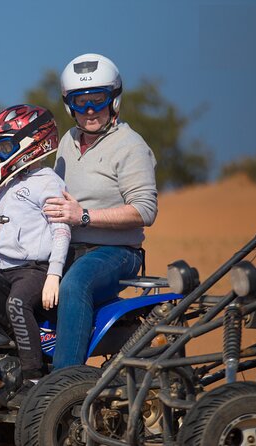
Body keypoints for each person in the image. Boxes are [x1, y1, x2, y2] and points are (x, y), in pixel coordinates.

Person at [42, 53, 158, 369]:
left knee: (74, 284)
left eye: (99, 99)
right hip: (67, 247)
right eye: (81, 102)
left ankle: (60, 385)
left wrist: (84, 216)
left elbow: (145, 210)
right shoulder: (67, 141)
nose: (90, 110)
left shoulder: (131, 146)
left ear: (114, 100)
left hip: (116, 252)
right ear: (70, 105)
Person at [0, 104, 71, 393]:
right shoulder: (8, 183)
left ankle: (33, 377)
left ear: (31, 143)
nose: (1, 155)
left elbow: (61, 229)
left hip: (33, 270)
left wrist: (54, 275)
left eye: (5, 146)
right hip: (3, 267)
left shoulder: (48, 181)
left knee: (17, 304)